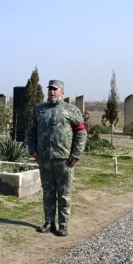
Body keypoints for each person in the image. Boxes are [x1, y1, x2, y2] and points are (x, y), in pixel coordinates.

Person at [26, 79, 87, 237]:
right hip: (45, 158)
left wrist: (76, 153)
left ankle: (63, 224)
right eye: (50, 89)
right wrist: (32, 150)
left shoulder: (71, 110)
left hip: (64, 159)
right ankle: (49, 222)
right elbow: (31, 131)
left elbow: (81, 133)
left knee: (64, 193)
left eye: (55, 89)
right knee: (48, 192)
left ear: (62, 92)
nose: (52, 92)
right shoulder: (40, 110)